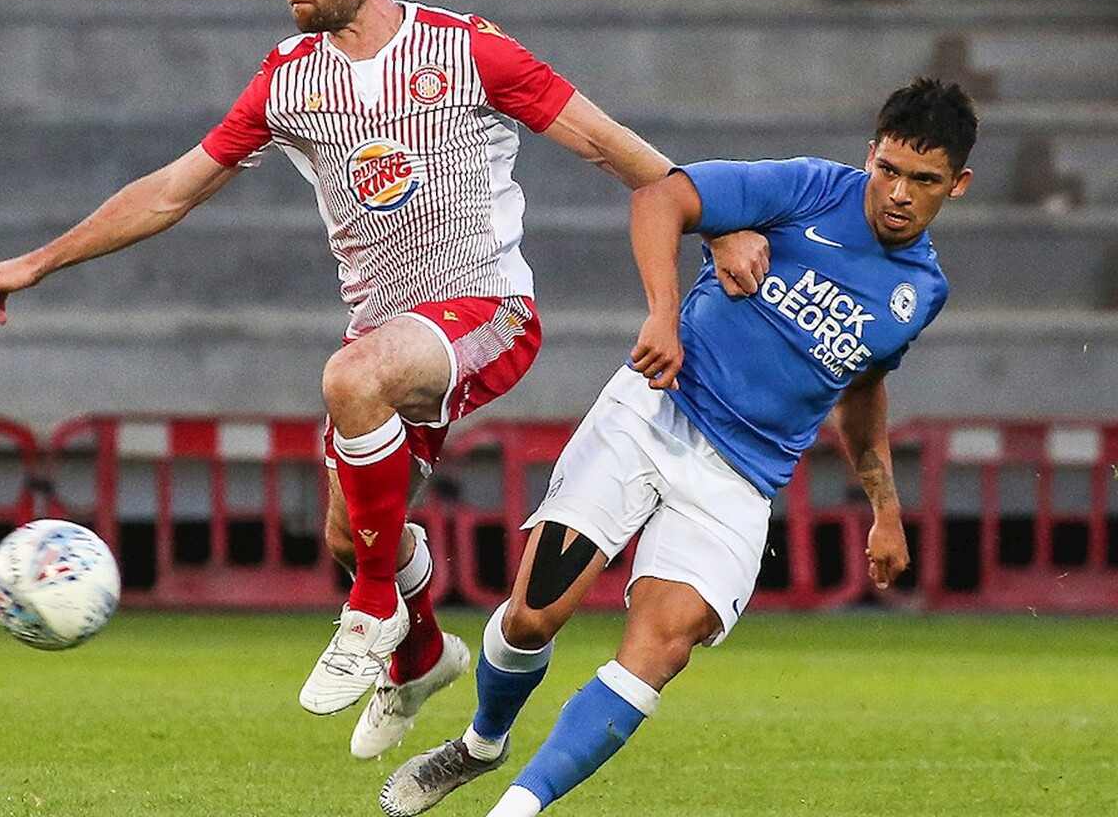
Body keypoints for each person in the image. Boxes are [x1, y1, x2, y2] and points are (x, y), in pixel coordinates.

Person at [0, 0, 762, 759]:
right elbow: (171, 192)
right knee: (350, 531)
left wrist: (716, 220)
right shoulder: (288, 79)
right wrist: (39, 262)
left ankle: (373, 610)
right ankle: (419, 657)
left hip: (487, 309)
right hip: (385, 328)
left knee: (352, 383)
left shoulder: (467, 51)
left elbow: (610, 145)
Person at [379, 77, 978, 816]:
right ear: (871, 154)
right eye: (889, 169)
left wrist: (884, 508)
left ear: (958, 184)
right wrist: (663, 315)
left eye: (924, 181)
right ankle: (481, 742)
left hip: (741, 481)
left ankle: (518, 809)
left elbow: (861, 387)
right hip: (653, 414)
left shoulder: (922, 291)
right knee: (532, 618)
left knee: (660, 650)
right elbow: (661, 195)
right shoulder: (810, 190)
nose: (898, 194)